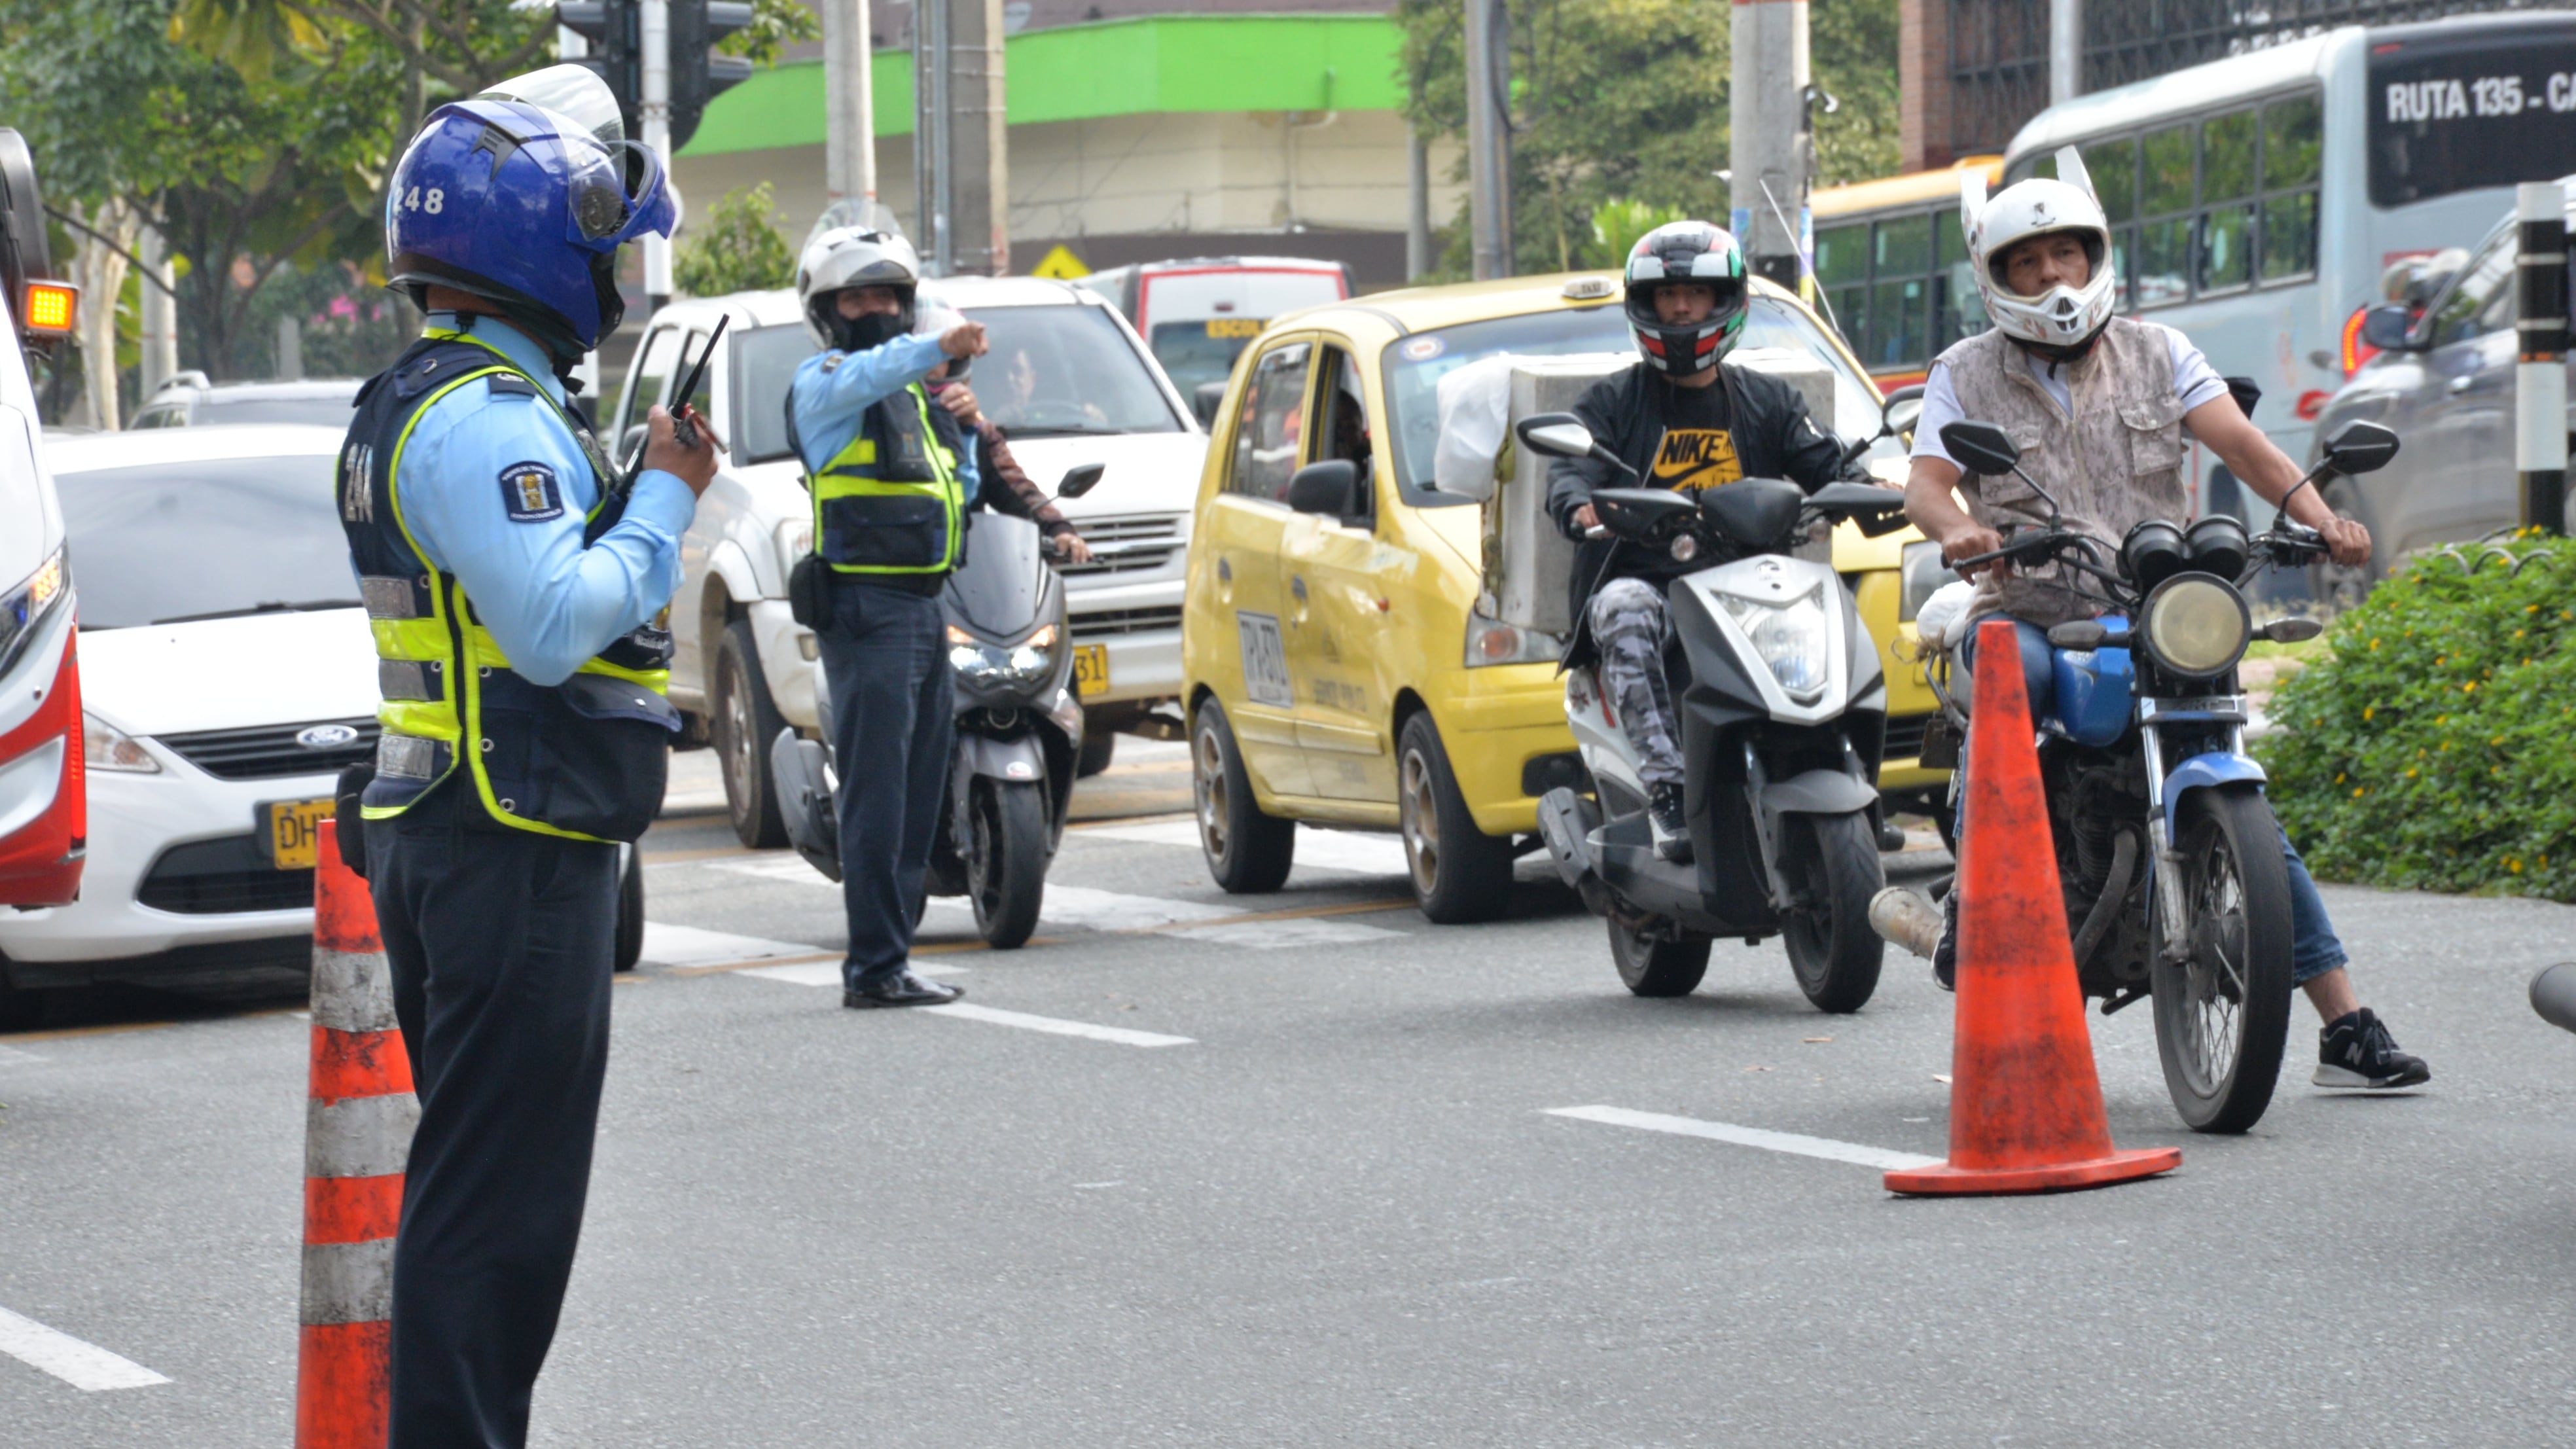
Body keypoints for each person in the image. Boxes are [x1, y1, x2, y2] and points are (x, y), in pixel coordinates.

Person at [340, 65, 715, 1447]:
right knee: (496, 1219)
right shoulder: (486, 421)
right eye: (604, 247)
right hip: (508, 849)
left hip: (466, 838)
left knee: (490, 1198)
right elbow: (555, 624)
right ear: (539, 250)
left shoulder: (421, 399)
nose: (615, 277)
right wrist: (666, 501)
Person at [1900, 151, 2430, 1090]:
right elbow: (1928, 486)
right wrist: (1964, 531)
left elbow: (2247, 447)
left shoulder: (2160, 351)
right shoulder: (1963, 372)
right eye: (2029, 263)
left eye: (2067, 253)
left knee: (2233, 786)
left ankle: (2344, 1024)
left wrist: (2324, 519)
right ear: (1998, 277)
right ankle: (1974, 915)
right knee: (2005, 687)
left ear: (2096, 255)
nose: (2052, 277)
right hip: (2031, 605)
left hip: (2157, 608)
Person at [1547, 220, 1867, 861]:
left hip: (1749, 586)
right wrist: (1580, 505)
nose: (1684, 308)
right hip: (1652, 583)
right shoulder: (1612, 402)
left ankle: (1847, 776)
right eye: (1669, 298)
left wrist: (1863, 484)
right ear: (1647, 307)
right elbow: (1568, 470)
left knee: (1832, 608)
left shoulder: (1769, 401)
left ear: (1728, 303)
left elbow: (1823, 461)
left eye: (1697, 295)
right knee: (1623, 608)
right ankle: (1666, 791)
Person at [788, 224, 988, 1007]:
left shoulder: (914, 398)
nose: (876, 307)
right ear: (829, 311)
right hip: (867, 609)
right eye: (858, 295)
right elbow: (878, 366)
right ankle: (871, 968)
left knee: (914, 791)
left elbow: (959, 494)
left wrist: (964, 430)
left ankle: (892, 956)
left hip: (923, 606)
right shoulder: (827, 384)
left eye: (890, 296)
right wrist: (938, 346)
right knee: (875, 793)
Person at [914, 296, 1094, 564]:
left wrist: (1058, 530)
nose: (934, 366)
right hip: (890, 576)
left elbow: (1015, 488)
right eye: (923, 355)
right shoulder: (873, 416)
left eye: (944, 356)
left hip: (962, 579)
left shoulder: (975, 430)